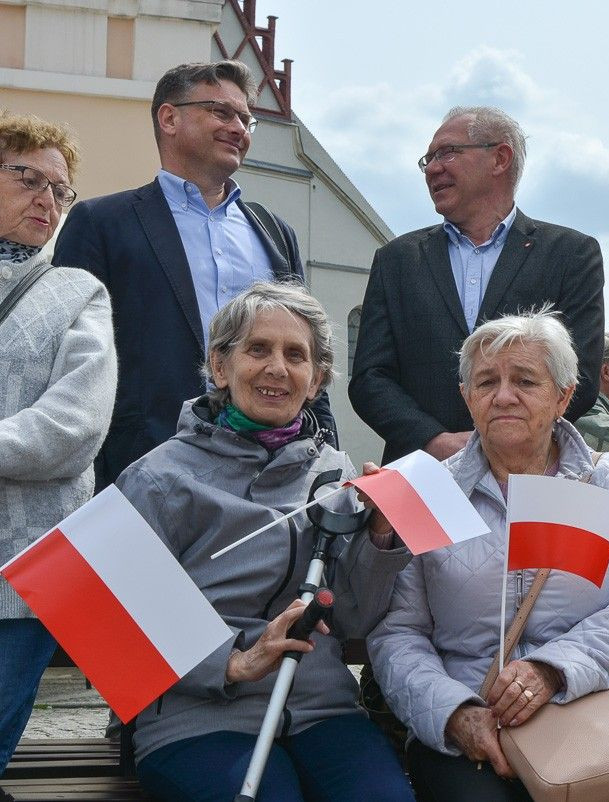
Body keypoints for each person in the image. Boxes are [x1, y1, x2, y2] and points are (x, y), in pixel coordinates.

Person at [113, 282, 413, 802]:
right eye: (258, 349)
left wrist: (383, 536)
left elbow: (353, 619)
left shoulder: (335, 477)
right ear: (221, 366)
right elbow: (117, 622)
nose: (277, 367)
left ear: (316, 380)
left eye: (295, 355)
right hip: (198, 718)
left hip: (321, 710)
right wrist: (234, 663)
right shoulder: (158, 478)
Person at [368, 310, 609, 801]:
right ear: (468, 398)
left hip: (587, 713)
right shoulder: (429, 491)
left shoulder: (607, 480)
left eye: (525, 380)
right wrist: (452, 714)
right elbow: (398, 632)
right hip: (471, 721)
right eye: (486, 381)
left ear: (564, 396)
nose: (503, 395)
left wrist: (554, 669)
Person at [53, 60, 334, 491]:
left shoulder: (277, 233)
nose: (239, 128)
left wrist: (326, 451)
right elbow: (67, 362)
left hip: (272, 472)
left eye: (246, 118)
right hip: (142, 466)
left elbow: (308, 351)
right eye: (222, 113)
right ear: (169, 118)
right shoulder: (100, 223)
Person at [349, 106, 605, 462]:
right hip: (422, 472)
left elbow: (581, 378)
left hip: (529, 476)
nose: (433, 168)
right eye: (428, 159)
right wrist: (434, 440)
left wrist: (504, 442)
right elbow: (369, 378)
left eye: (447, 152)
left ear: (500, 158)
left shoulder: (570, 255)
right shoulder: (397, 260)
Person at [0, 113, 117, 794]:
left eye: (61, 190)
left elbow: (73, 428)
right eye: (28, 178)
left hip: (26, 572)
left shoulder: (78, 293)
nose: (47, 199)